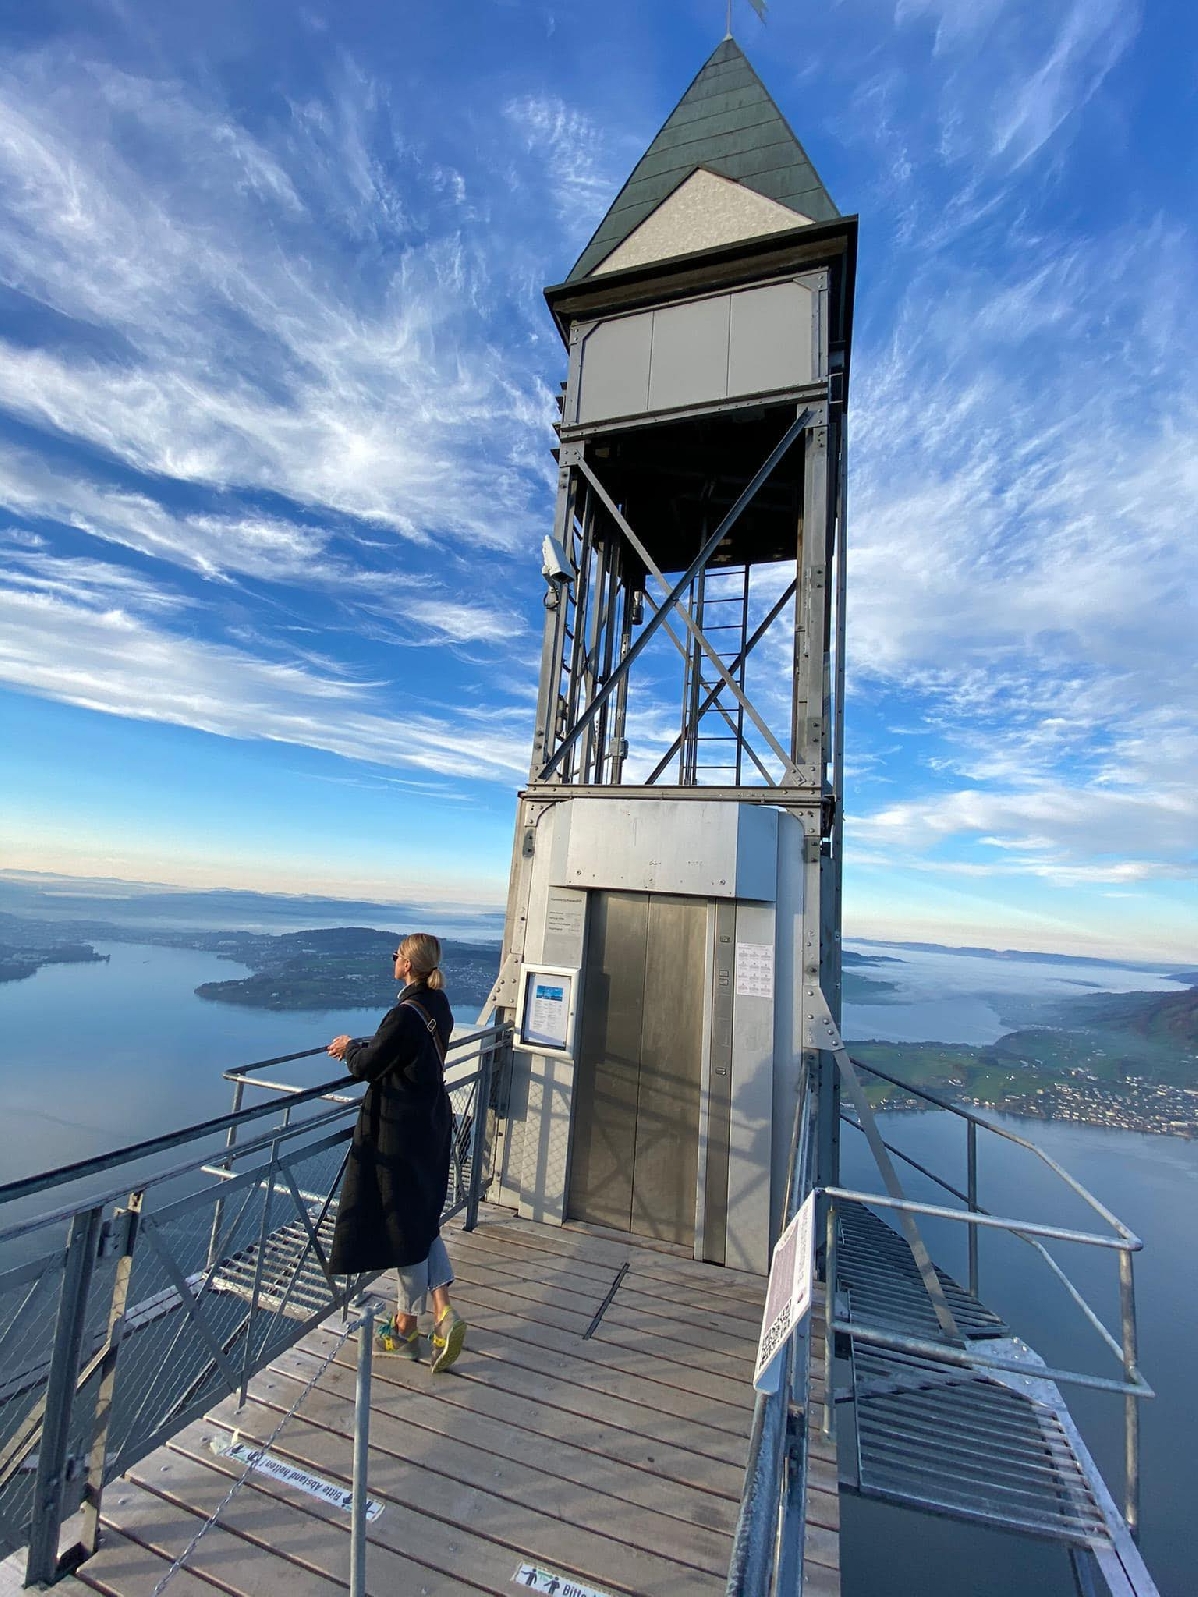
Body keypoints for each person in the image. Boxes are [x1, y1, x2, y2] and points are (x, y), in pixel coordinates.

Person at [326, 932, 467, 1373]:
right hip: (430, 1123)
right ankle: (443, 1313)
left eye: (396, 955)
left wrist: (349, 1048)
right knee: (420, 1216)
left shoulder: (404, 1014)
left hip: (399, 1132)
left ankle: (407, 1327)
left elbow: (369, 1067)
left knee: (403, 1225)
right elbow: (403, 1052)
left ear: (408, 963)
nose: (393, 960)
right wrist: (370, 1046)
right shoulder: (437, 1004)